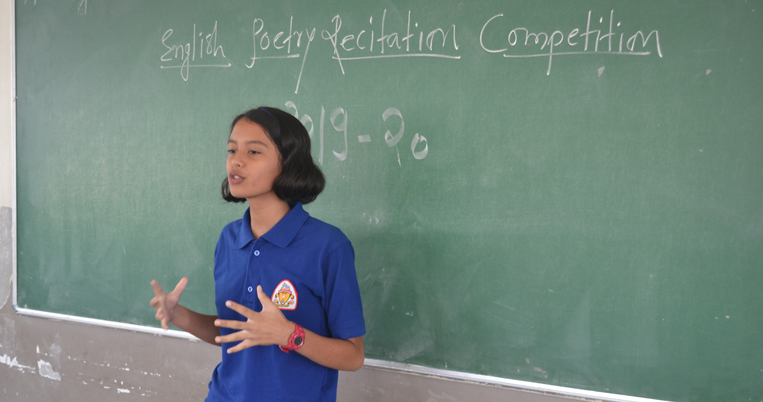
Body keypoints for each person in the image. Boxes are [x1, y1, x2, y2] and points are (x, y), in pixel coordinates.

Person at [149, 107, 366, 402]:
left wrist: (289, 335)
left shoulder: (327, 245)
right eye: (232, 150)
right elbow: (236, 331)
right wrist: (178, 315)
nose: (236, 160)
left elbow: (353, 356)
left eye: (253, 152)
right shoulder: (229, 239)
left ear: (288, 164)